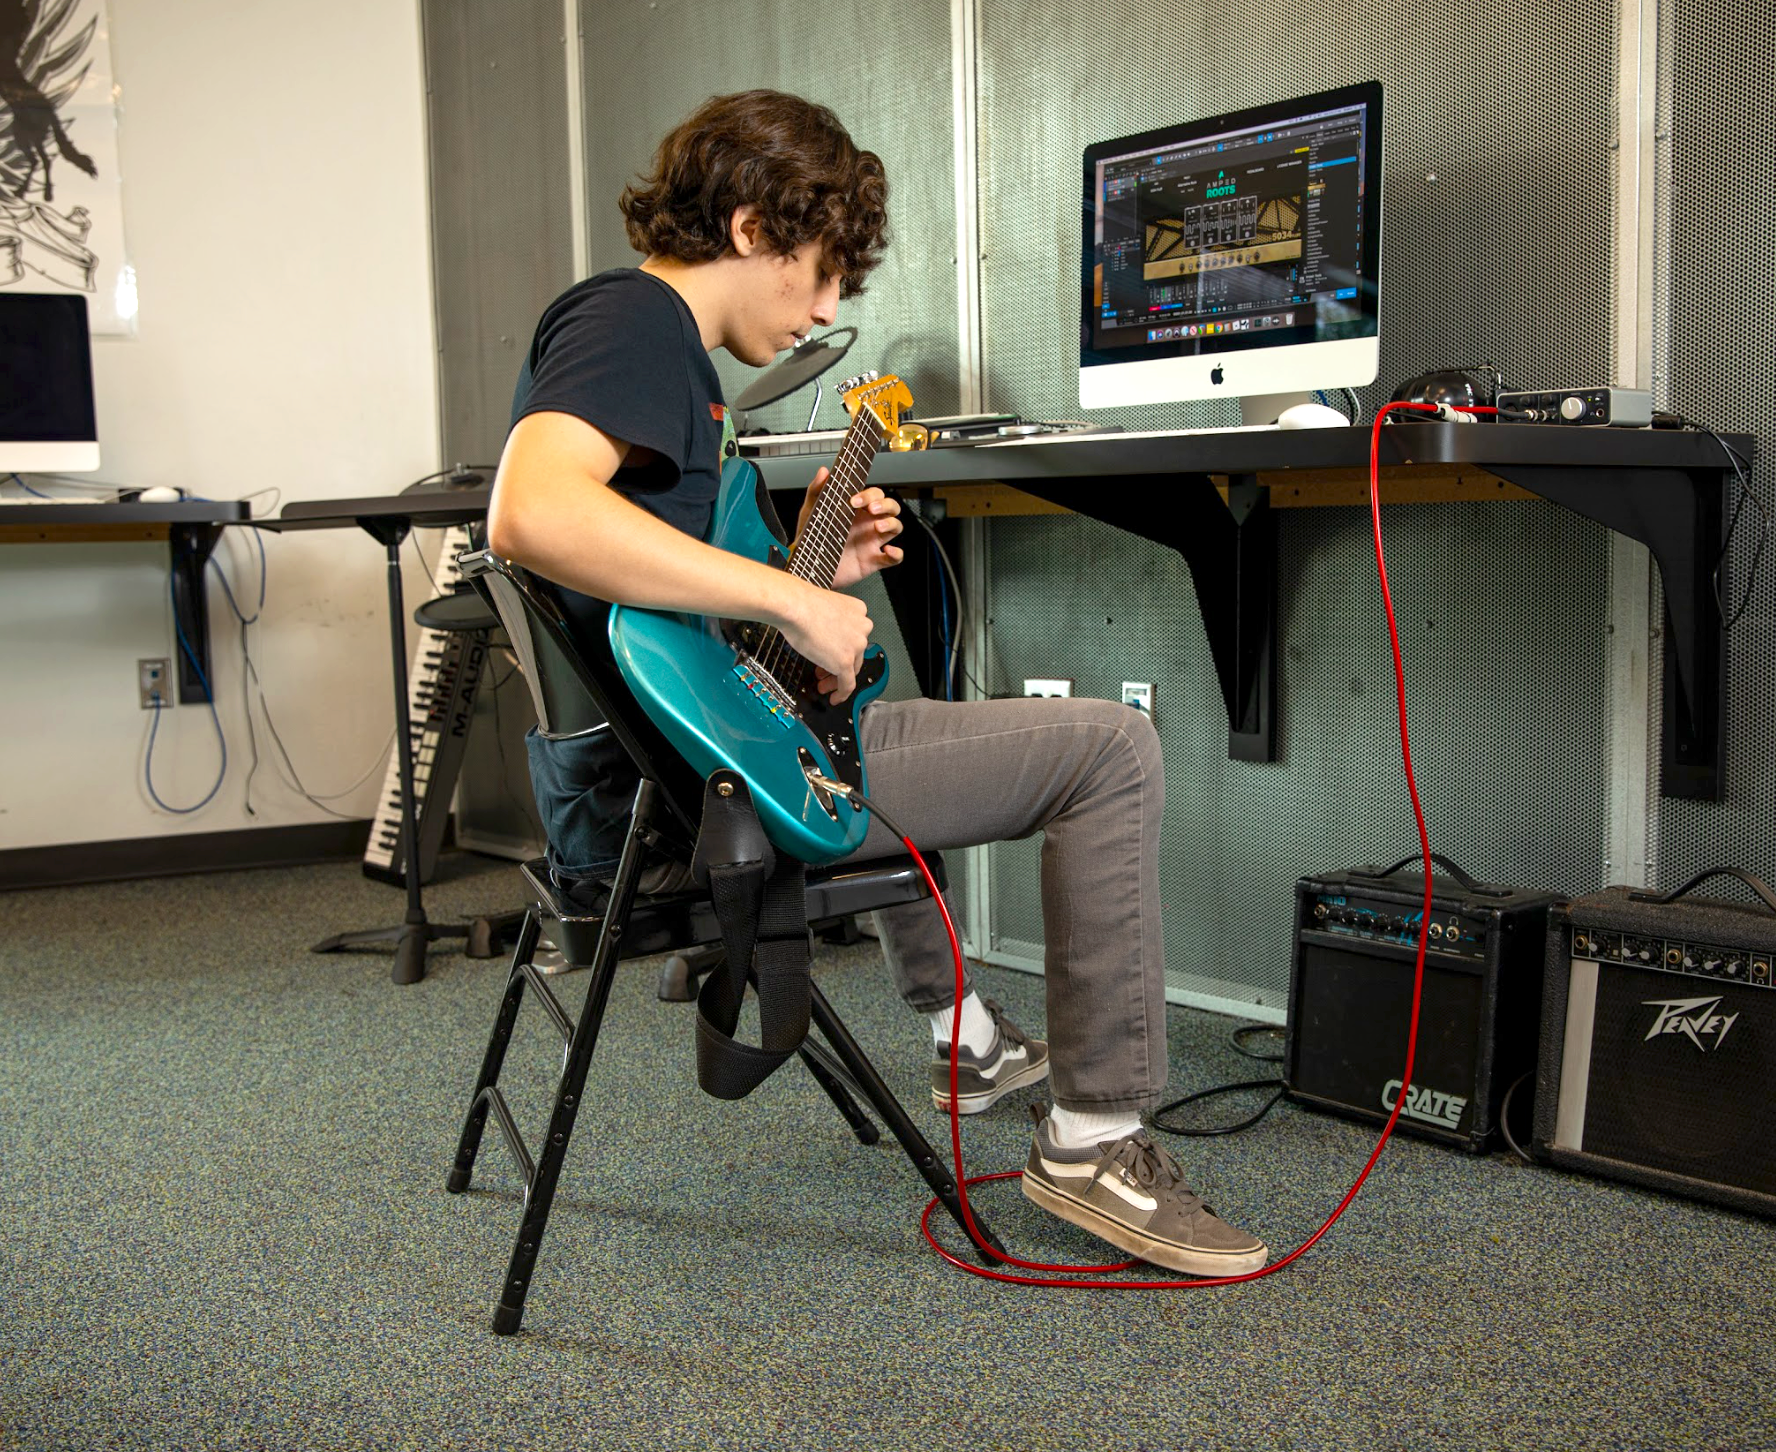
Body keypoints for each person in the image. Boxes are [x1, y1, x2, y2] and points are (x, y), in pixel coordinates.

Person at [486, 88, 1266, 1276]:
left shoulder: (656, 355)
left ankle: (983, 1042)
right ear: (751, 226)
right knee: (1112, 748)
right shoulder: (634, 321)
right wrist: (795, 599)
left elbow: (664, 593)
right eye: (820, 270)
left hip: (680, 775)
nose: (828, 308)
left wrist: (809, 567)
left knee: (920, 713)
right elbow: (532, 511)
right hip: (716, 797)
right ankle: (1096, 1140)